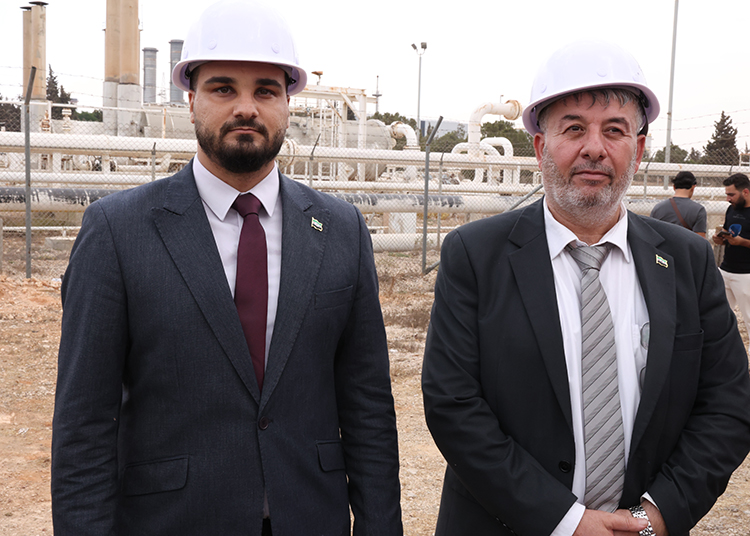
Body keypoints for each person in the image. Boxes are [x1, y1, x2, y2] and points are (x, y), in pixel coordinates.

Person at [51, 1, 403, 535]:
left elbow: (368, 407)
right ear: (191, 100)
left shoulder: (340, 230)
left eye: (265, 90)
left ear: (288, 103)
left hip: (309, 518)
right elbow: (84, 421)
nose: (246, 108)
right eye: (223, 89)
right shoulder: (118, 231)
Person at [422, 40, 750, 536]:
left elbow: (727, 402)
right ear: (540, 147)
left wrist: (657, 515)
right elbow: (453, 405)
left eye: (614, 130)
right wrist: (565, 521)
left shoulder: (688, 261)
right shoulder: (474, 255)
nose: (594, 147)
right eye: (574, 128)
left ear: (638, 150)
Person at [713, 173, 750, 336]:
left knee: (748, 318)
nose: (728, 199)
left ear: (745, 192)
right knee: (719, 316)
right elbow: (727, 231)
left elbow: (740, 240)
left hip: (746, 275)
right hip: (725, 270)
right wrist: (720, 239)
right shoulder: (731, 209)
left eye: (731, 194)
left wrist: (742, 242)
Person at [649, 171, 707, 236]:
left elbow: (651, 235)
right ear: (693, 187)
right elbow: (700, 239)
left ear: (674, 187)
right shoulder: (699, 210)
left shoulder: (658, 208)